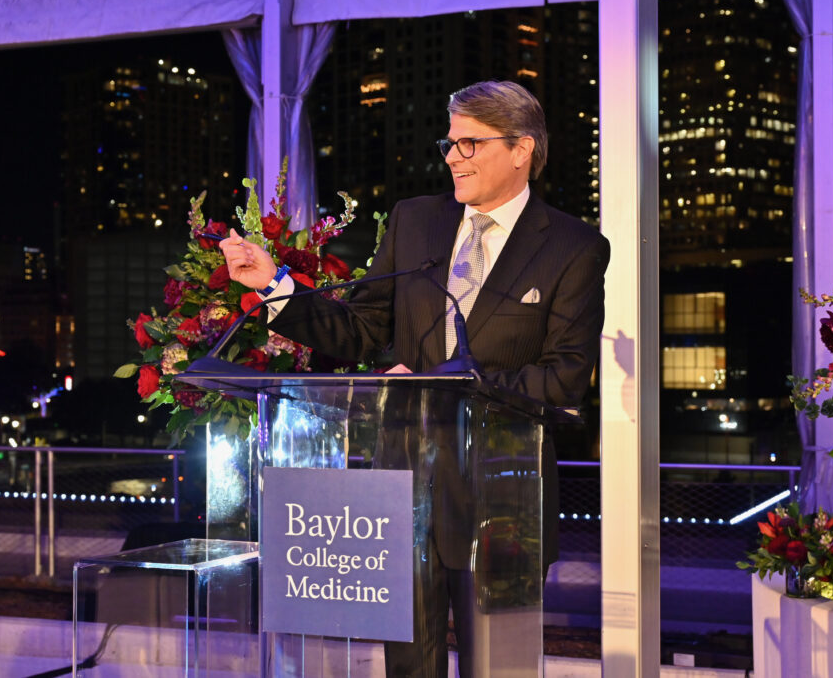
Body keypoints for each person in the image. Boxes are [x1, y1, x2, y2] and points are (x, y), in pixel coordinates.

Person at [221, 80, 610, 677]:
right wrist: (274, 285)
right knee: (408, 669)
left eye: (469, 144)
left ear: (522, 149)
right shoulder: (416, 222)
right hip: (399, 494)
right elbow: (360, 331)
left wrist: (446, 381)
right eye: (449, 142)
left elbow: (564, 378)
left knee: (498, 670)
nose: (451, 157)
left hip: (503, 500)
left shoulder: (574, 246)